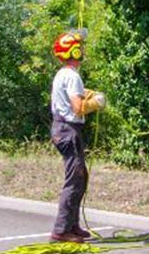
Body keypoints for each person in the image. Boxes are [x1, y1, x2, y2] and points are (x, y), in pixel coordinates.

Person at [48, 30, 103, 243]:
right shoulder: (72, 76)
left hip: (64, 129)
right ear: (75, 51)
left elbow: (75, 94)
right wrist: (96, 103)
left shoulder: (63, 74)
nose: (83, 50)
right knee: (74, 180)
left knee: (81, 177)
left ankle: (72, 225)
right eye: (80, 47)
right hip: (68, 130)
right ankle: (61, 230)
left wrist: (88, 93)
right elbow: (78, 107)